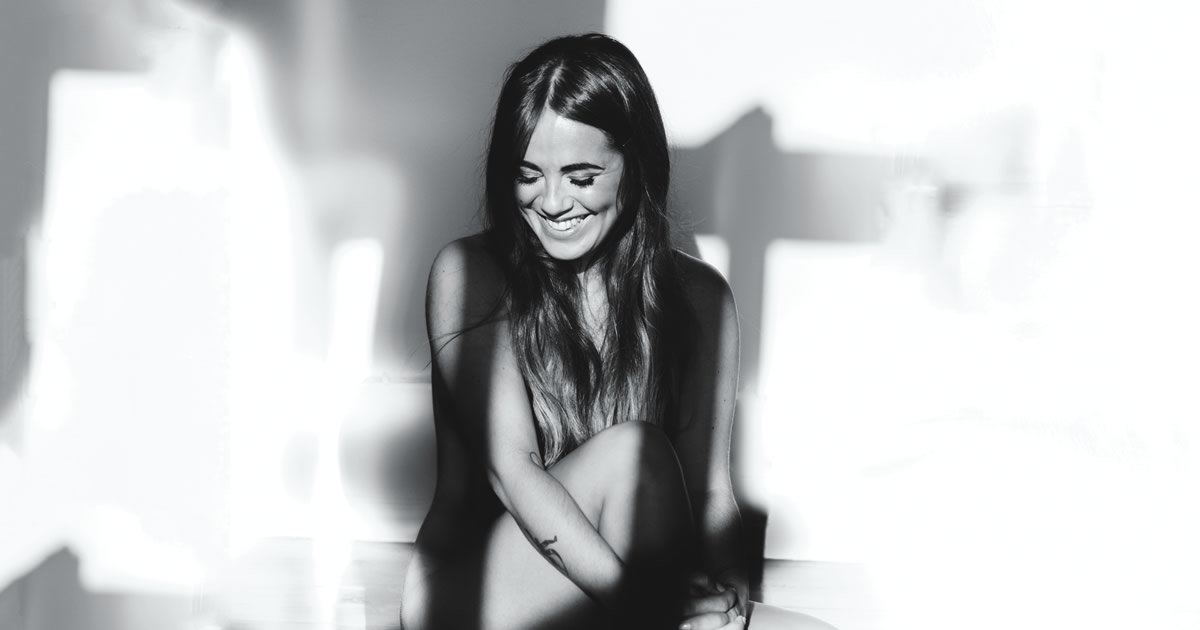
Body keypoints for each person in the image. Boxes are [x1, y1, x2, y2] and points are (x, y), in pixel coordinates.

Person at [400, 33, 832, 630]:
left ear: (637, 165)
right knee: (633, 455)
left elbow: (711, 493)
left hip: (630, 586)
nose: (551, 202)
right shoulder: (469, 273)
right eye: (528, 175)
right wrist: (651, 605)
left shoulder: (701, 297)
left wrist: (726, 595)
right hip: (472, 598)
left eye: (580, 177)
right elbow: (513, 471)